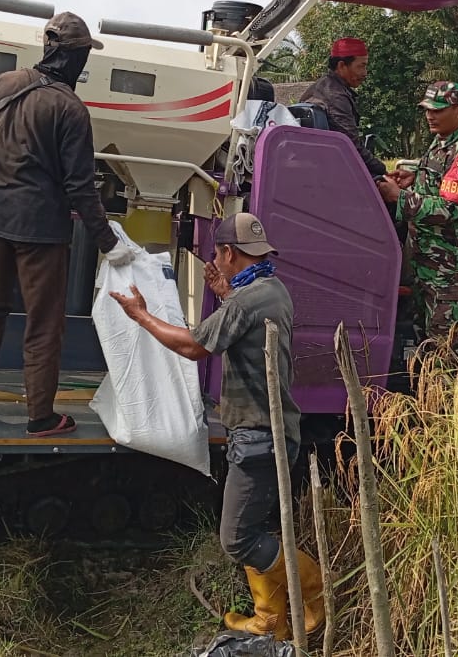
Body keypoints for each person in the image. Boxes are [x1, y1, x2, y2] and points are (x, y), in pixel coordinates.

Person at [109, 213, 323, 641]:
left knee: (237, 539)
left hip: (260, 435)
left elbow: (193, 347)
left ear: (228, 253)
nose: (215, 261)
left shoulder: (245, 302)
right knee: (251, 529)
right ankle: (270, 619)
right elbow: (244, 323)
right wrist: (226, 295)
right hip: (272, 429)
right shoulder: (271, 290)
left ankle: (317, 598)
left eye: (218, 254)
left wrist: (141, 316)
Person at [0, 12, 131, 437]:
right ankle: (40, 417)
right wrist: (109, 242)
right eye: (84, 53)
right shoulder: (70, 109)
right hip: (41, 233)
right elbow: (80, 187)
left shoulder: (3, 84)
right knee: (44, 322)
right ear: (72, 55)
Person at [377, 80, 458, 347]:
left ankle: (445, 391)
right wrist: (414, 179)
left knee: (444, 347)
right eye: (427, 109)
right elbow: (438, 187)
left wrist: (399, 197)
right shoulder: (439, 143)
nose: (430, 115)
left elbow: (448, 208)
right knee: (421, 342)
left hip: (446, 269)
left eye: (438, 109)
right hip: (424, 262)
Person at [299, 36, 387, 180]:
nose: (365, 73)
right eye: (361, 66)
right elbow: (351, 147)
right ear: (341, 66)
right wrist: (383, 171)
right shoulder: (336, 96)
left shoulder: (315, 89)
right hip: (335, 175)